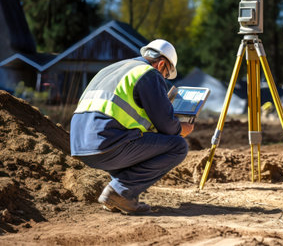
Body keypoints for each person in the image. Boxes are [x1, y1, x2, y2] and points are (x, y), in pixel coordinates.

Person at [70, 39, 194, 215]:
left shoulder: (113, 69)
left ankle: (122, 197)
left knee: (138, 143)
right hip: (107, 144)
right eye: (166, 75)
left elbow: (123, 113)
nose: (164, 79)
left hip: (80, 145)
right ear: (161, 64)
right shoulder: (149, 73)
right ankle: (120, 192)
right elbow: (167, 127)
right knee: (178, 146)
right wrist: (182, 129)